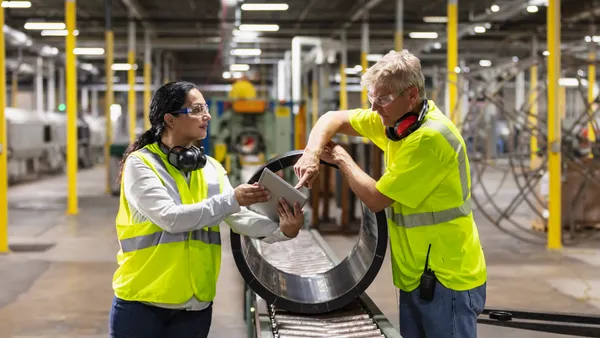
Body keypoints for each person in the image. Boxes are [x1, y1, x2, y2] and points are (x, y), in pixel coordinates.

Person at [293, 50, 487, 338]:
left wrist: (343, 159)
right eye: (372, 98)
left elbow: (376, 198)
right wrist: (311, 153)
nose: (374, 108)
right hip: (416, 275)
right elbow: (332, 118)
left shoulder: (430, 139)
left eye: (382, 99)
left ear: (411, 95)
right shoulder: (395, 123)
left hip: (448, 278)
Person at [109, 81, 304, 338]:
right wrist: (232, 198)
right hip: (142, 305)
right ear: (170, 119)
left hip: (195, 306)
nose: (207, 115)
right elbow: (170, 218)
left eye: (206, 108)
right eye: (197, 108)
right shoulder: (142, 165)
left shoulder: (210, 167)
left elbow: (237, 217)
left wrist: (282, 230)